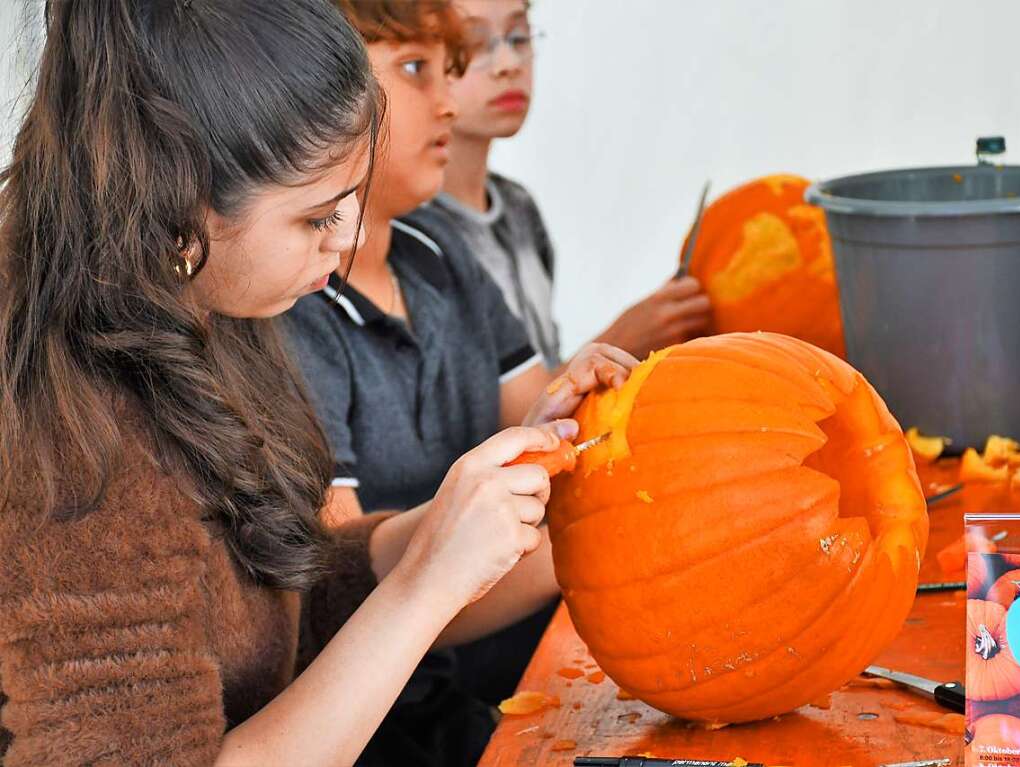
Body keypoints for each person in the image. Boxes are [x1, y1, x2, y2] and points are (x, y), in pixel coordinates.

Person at [0, 2, 632, 766]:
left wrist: (471, 510)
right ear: (177, 214)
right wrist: (424, 584)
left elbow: (286, 595)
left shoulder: (214, 303)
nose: (351, 239)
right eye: (315, 218)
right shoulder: (71, 450)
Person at [284, 2, 638, 747]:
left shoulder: (440, 251)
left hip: (506, 679)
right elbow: (342, 592)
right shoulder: (292, 308)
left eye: (448, 71)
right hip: (388, 726)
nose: (448, 100)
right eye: (416, 71)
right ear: (315, 90)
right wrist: (599, 544)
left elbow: (549, 423)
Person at [426, 0, 713, 369]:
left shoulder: (518, 208)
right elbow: (489, 420)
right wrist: (619, 340)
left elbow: (542, 378)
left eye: (519, 37)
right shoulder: (411, 236)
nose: (509, 64)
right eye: (472, 45)